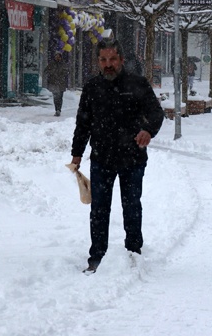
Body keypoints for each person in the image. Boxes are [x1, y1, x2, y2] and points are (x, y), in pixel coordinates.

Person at [70, 39, 165, 273]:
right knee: (99, 209)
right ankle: (96, 257)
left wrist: (148, 130)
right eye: (103, 60)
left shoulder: (138, 84)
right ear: (98, 62)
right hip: (102, 158)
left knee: (131, 206)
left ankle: (133, 254)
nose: (108, 64)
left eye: (112, 59)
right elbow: (83, 123)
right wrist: (77, 154)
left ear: (121, 60)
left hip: (132, 158)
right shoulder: (92, 88)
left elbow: (156, 113)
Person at [45, 52, 69, 116]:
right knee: (55, 98)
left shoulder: (63, 64)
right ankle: (57, 109)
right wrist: (52, 73)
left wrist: (61, 75)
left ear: (61, 57)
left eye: (59, 56)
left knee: (60, 97)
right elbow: (46, 71)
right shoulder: (51, 64)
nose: (57, 58)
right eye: (56, 56)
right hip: (53, 83)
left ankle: (59, 109)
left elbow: (66, 72)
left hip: (61, 83)